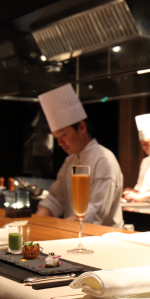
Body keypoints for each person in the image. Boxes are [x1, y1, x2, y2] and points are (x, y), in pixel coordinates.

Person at [35, 84, 124, 227]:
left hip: (103, 236)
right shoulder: (69, 161)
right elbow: (55, 200)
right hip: (73, 232)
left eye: (63, 135)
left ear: (82, 127)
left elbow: (97, 211)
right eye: (56, 137)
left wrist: (59, 227)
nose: (60, 143)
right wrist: (35, 223)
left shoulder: (103, 159)